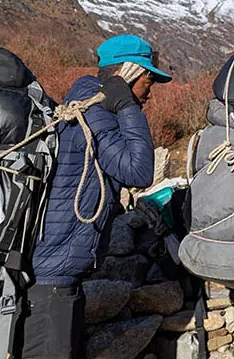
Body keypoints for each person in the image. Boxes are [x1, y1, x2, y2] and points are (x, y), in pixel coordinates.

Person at [18, 35, 171, 359]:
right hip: (53, 273)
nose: (151, 90)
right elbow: (138, 171)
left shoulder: (90, 105)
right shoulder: (97, 112)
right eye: (148, 79)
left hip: (57, 269)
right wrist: (127, 107)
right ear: (128, 75)